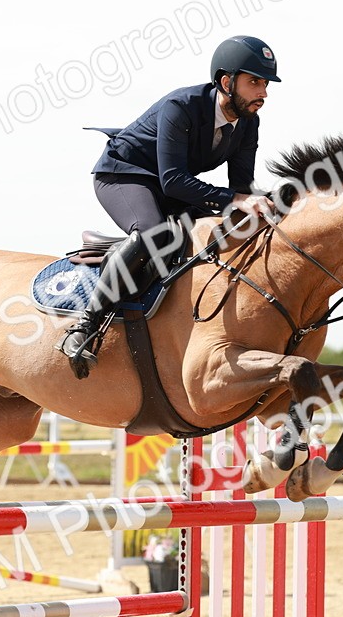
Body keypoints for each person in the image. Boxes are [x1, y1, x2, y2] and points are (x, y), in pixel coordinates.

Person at [58, 35, 280, 376]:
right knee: (152, 233)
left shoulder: (248, 122)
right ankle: (84, 327)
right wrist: (237, 200)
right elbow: (174, 181)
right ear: (226, 82)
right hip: (123, 175)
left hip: (168, 183)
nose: (263, 93)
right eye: (254, 82)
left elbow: (240, 190)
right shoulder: (182, 107)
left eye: (265, 84)